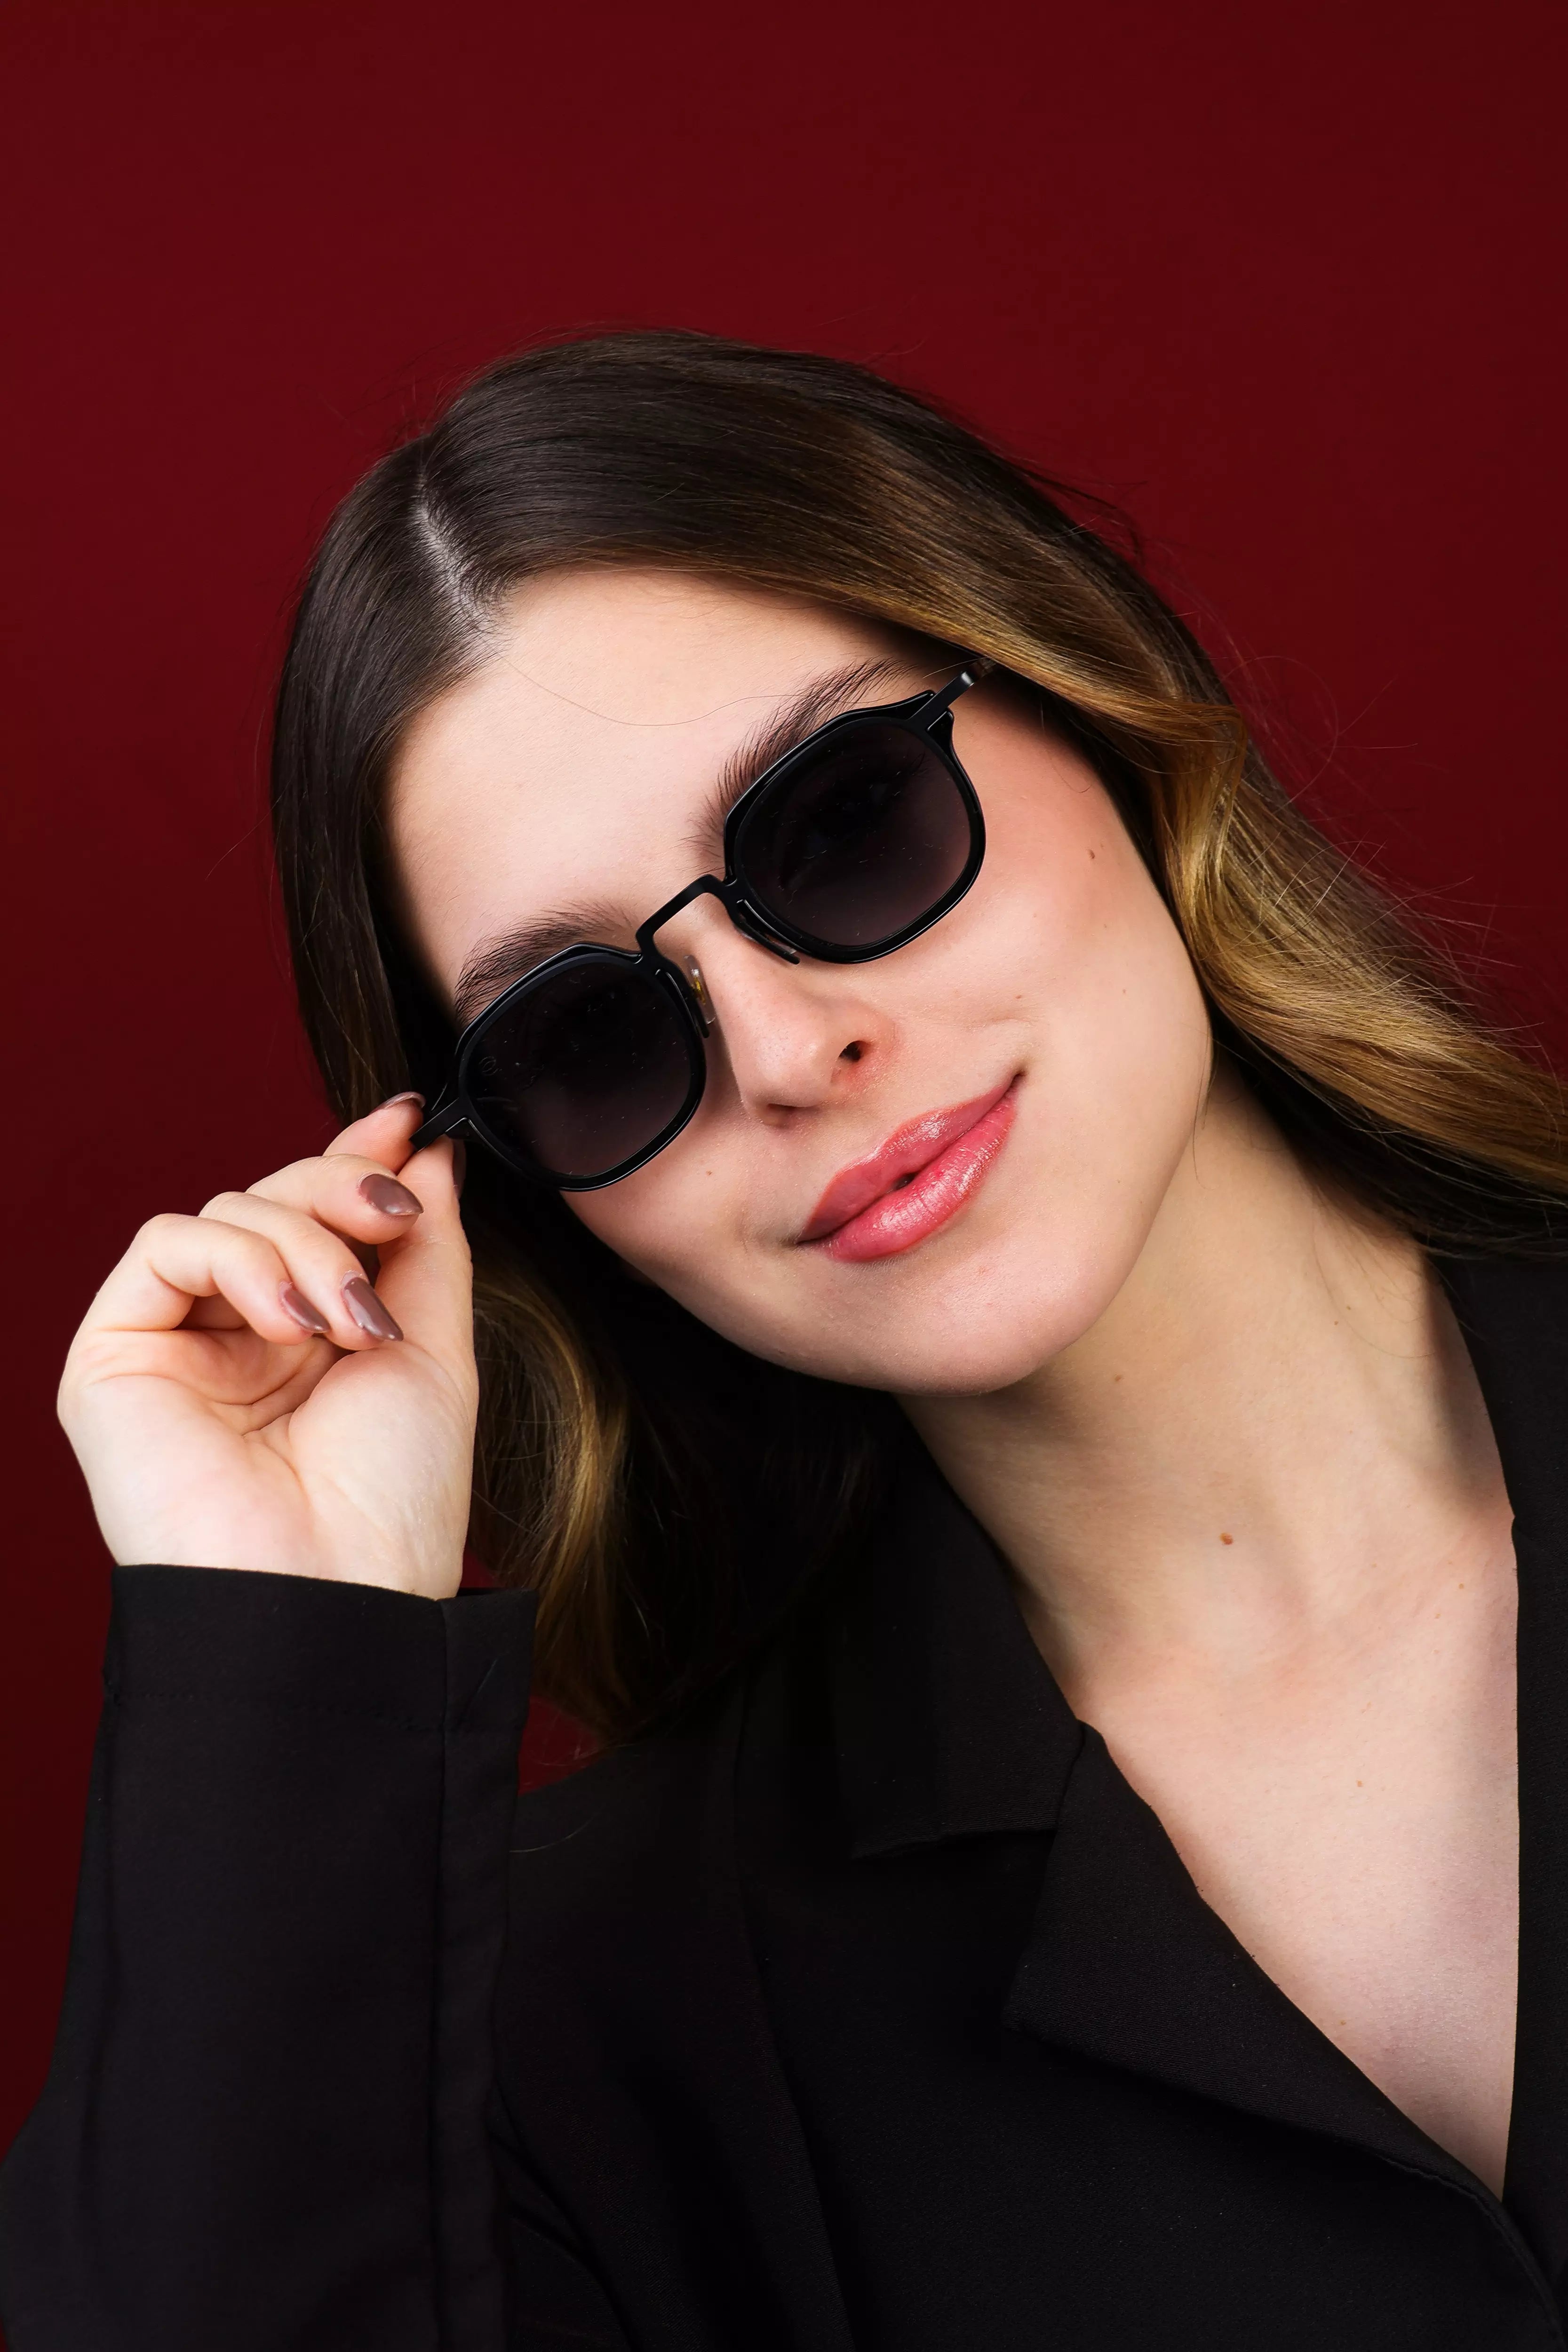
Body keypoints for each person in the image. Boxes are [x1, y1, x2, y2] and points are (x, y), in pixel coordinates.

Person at [1, 332, 1565, 2351]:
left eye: (839, 821)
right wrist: (281, 1629)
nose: (784, 1052)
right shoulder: (599, 2021)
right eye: (588, 1034)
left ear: (1090, 691)